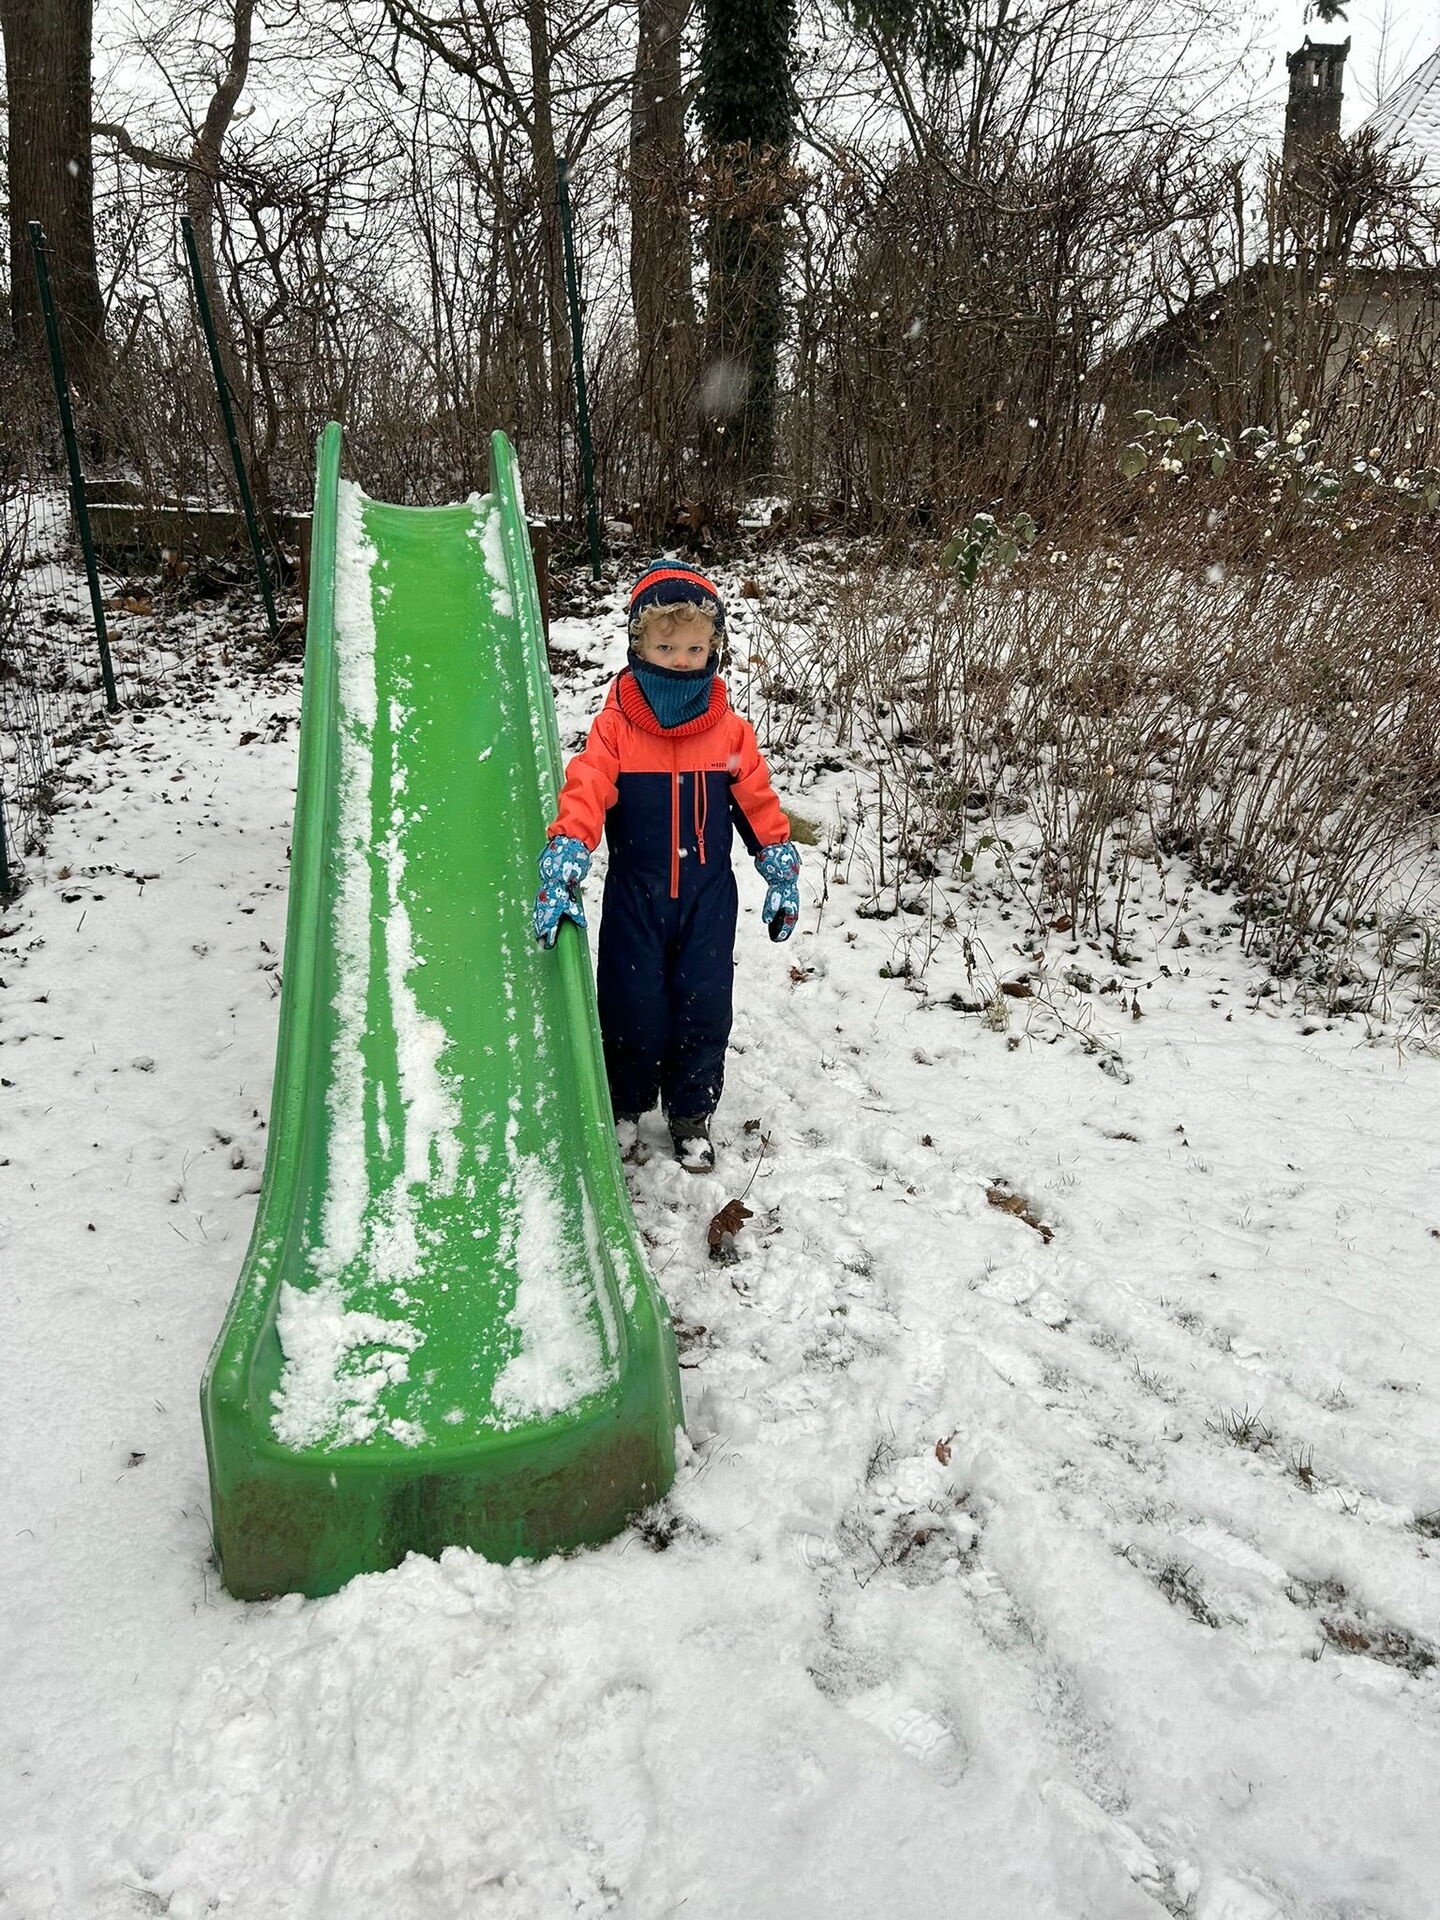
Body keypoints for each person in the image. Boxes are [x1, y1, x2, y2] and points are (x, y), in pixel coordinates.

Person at [532, 562, 800, 1172]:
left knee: (704, 1002)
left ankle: (690, 1112)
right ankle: (626, 1105)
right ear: (639, 646)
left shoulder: (729, 732)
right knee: (632, 1002)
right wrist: (568, 849)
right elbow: (587, 788)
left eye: (695, 649)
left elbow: (756, 802)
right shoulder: (616, 728)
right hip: (637, 893)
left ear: (714, 649)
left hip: (708, 898)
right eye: (666, 647)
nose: (681, 660)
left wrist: (779, 866)